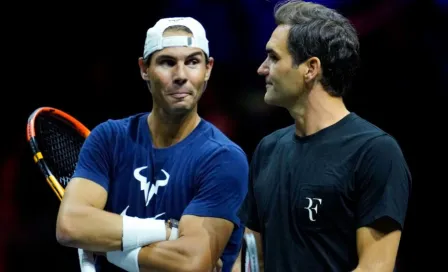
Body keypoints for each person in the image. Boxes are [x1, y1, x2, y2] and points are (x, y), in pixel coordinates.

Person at [55, 17, 249, 272]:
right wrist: (168, 233)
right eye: (167, 62)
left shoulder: (224, 158)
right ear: (144, 69)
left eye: (192, 62)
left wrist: (111, 249)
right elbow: (70, 225)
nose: (181, 75)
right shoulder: (108, 138)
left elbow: (190, 264)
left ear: (208, 69)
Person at [235, 1, 412, 271]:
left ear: (310, 68)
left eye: (273, 57)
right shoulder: (268, 149)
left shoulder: (375, 152)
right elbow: (250, 260)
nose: (262, 68)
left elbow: (375, 267)